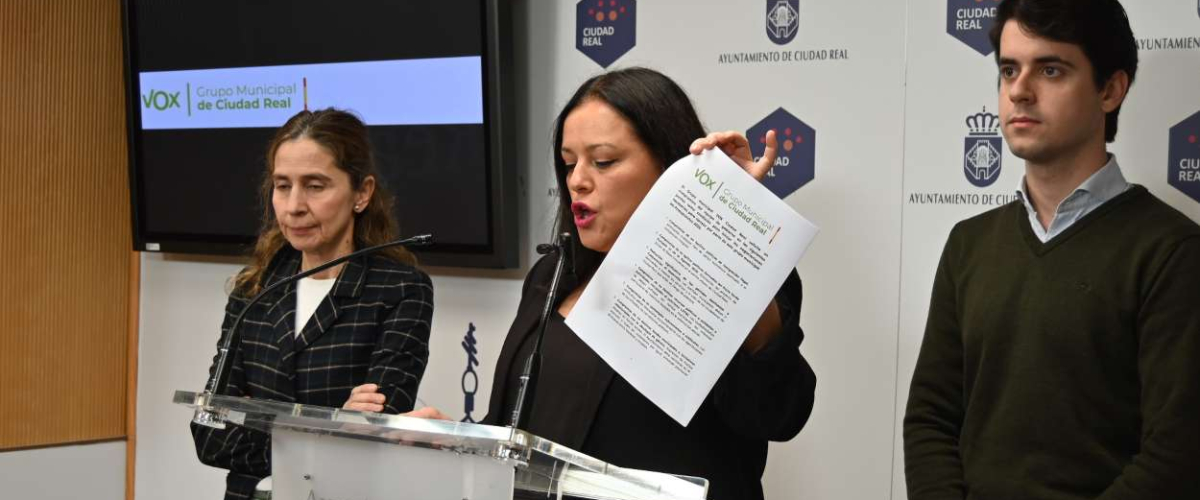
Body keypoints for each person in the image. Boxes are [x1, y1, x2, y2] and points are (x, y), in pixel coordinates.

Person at [412, 67, 817, 500]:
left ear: (669, 165)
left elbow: (777, 413)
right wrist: (453, 441)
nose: (577, 180)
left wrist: (729, 231)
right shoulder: (551, 275)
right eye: (569, 163)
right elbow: (514, 432)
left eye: (603, 161)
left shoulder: (736, 277)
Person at [904, 1, 1200, 498]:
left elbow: (1177, 453)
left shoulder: (1171, 251)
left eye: (1050, 70)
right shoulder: (967, 244)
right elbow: (930, 419)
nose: (1019, 90)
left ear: (1110, 90)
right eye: (1009, 70)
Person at [191, 108, 435, 500]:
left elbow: (371, 436)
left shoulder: (400, 289)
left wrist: (261, 422)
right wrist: (331, 424)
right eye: (282, 185)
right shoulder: (254, 287)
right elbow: (210, 436)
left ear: (362, 193)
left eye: (315, 186)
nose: (293, 206)